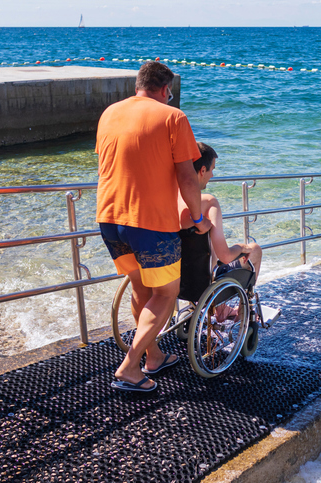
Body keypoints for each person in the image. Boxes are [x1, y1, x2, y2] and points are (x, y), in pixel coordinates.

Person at [96, 62, 212, 393]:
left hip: (109, 218)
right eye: (170, 94)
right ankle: (129, 368)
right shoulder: (172, 117)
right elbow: (188, 176)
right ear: (165, 90)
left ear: (139, 85)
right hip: (149, 223)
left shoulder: (110, 114)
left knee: (140, 287)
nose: (170, 98)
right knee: (165, 293)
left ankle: (154, 356)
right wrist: (199, 218)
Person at [177, 142, 262, 287]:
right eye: (212, 169)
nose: (213, 175)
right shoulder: (209, 202)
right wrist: (241, 247)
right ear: (203, 170)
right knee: (255, 249)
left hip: (178, 281)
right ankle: (242, 308)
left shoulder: (171, 200)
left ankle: (219, 309)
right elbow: (225, 256)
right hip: (205, 282)